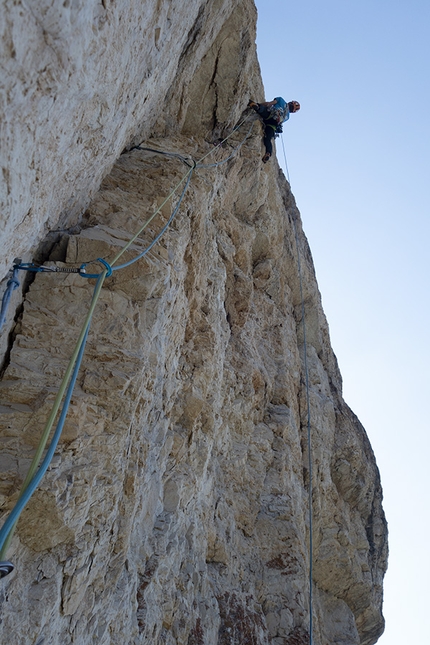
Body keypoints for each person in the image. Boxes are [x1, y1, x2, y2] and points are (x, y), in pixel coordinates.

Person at [248, 97, 300, 163]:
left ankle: (257, 107)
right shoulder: (287, 117)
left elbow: (268, 104)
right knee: (268, 139)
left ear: (290, 102)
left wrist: (259, 104)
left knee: (264, 111)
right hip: (273, 124)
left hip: (270, 115)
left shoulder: (281, 100)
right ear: (292, 111)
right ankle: (268, 153)